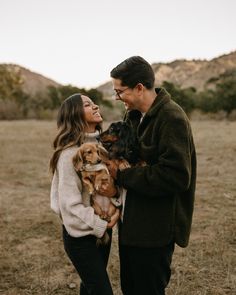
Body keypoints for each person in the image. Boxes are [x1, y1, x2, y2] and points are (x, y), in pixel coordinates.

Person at [107, 56, 197, 295]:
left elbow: (176, 176)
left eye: (120, 91)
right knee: (131, 288)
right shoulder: (133, 116)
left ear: (139, 88)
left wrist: (124, 175)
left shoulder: (172, 117)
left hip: (155, 228)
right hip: (132, 223)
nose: (117, 97)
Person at [49, 93, 120, 295]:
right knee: (101, 290)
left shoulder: (105, 147)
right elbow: (69, 206)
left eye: (93, 102)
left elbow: (113, 185)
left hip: (104, 229)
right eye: (88, 105)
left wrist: (114, 210)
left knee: (89, 288)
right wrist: (102, 224)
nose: (96, 106)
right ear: (75, 114)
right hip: (80, 236)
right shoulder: (70, 154)